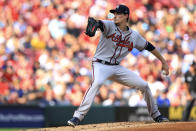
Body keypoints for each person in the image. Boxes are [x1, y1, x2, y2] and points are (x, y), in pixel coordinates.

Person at [67, 5, 169, 126]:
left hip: (116, 67)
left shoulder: (134, 36)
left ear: (126, 16)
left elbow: (149, 46)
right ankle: (77, 117)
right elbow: (99, 23)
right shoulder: (109, 25)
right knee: (97, 83)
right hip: (100, 64)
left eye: (119, 13)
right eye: (114, 13)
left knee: (144, 85)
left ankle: (156, 115)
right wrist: (96, 24)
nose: (115, 16)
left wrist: (163, 61)